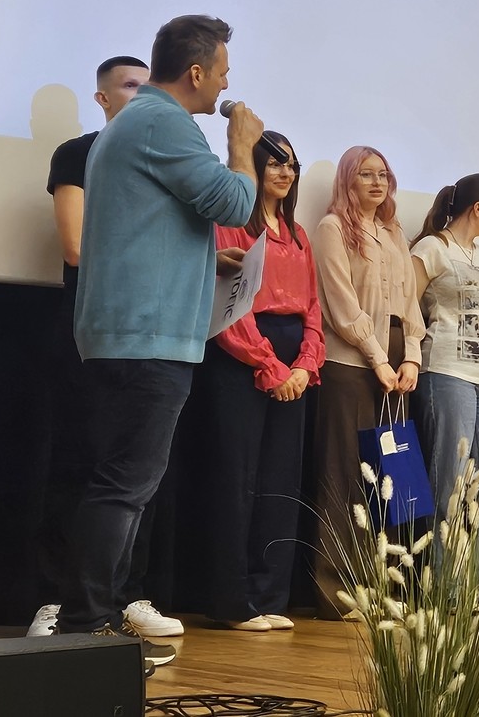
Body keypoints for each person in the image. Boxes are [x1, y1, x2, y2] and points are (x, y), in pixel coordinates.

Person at [66, 16, 261, 670]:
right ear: (196, 72)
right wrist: (241, 147)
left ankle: (97, 621)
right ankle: (87, 629)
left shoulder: (138, 122)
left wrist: (205, 261)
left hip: (132, 332)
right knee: (124, 487)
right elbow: (233, 204)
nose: (228, 84)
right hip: (143, 338)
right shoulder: (165, 122)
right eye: (223, 72)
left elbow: (146, 224)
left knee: (125, 486)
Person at [31, 56, 184, 640]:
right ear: (101, 99)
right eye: (129, 86)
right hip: (91, 330)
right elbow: (74, 244)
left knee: (139, 469)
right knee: (83, 462)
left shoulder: (162, 155)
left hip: (154, 331)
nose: (143, 95)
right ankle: (60, 601)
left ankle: (126, 595)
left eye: (149, 85)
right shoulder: (80, 152)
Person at [200, 131, 323, 631]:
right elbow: (230, 307)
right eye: (274, 163)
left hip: (293, 359)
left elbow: (313, 307)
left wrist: (305, 364)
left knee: (280, 481)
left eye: (291, 164)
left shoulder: (299, 234)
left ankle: (270, 595)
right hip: (245, 356)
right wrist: (269, 366)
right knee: (238, 478)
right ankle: (232, 602)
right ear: (253, 168)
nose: (285, 172)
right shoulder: (230, 224)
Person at [311, 146, 425, 619]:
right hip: (352, 362)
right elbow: (341, 305)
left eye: (383, 174)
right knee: (347, 477)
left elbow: (411, 304)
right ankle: (339, 594)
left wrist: (412, 355)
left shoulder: (394, 231)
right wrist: (378, 358)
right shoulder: (332, 228)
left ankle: (386, 588)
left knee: (394, 477)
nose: (377, 182)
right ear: (347, 181)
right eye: (366, 174)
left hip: (396, 362)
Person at [411, 173, 479, 589]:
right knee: (450, 482)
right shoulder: (431, 248)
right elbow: (406, 306)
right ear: (477, 207)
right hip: (447, 371)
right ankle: (447, 587)